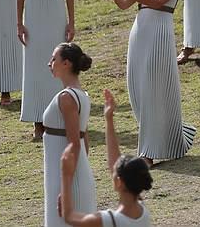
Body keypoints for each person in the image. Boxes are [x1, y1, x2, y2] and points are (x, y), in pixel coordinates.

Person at [103, 0, 196, 167]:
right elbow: (126, 5)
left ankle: (148, 152)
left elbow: (157, 1)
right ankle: (166, 140)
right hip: (140, 33)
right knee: (137, 89)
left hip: (159, 34)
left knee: (154, 90)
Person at [17, 0, 75, 139]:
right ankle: (37, 122)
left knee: (58, 65)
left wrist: (71, 21)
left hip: (55, 16)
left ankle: (58, 117)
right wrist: (18, 23)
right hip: (32, 18)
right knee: (34, 66)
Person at [59, 89, 152, 226]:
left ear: (119, 182)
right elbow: (115, 163)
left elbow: (69, 217)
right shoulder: (142, 211)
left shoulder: (108, 220)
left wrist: (66, 175)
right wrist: (108, 119)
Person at [43, 42, 96, 226]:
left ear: (66, 63)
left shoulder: (67, 98)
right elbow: (84, 140)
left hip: (66, 178)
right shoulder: (82, 95)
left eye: (54, 59)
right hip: (72, 174)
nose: (50, 63)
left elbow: (74, 143)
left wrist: (66, 188)